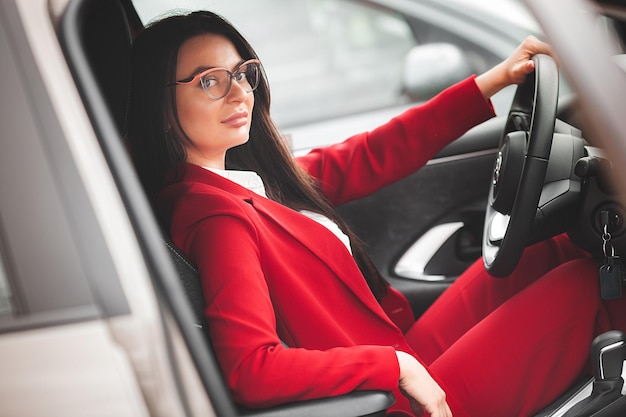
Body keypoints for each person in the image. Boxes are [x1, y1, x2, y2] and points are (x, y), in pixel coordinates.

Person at [126, 10, 625, 417]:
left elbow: (369, 155)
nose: (239, 93)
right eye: (209, 82)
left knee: (549, 247)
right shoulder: (215, 218)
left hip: (401, 353)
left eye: (243, 73)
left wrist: (492, 82)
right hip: (396, 402)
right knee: (590, 284)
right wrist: (394, 367)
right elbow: (251, 369)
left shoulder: (247, 182)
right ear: (163, 110)